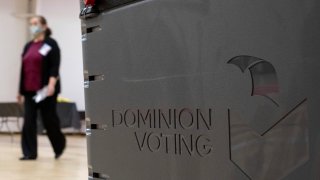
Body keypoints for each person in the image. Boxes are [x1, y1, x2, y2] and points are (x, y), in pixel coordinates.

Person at [17, 15, 66, 160]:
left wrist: (51, 85)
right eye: (31, 24)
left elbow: (54, 66)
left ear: (44, 26)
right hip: (29, 90)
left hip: (46, 90)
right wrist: (19, 91)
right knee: (28, 121)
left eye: (35, 23)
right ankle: (29, 153)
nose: (32, 26)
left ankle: (59, 145)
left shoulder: (51, 44)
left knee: (49, 120)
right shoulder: (28, 45)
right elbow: (23, 69)